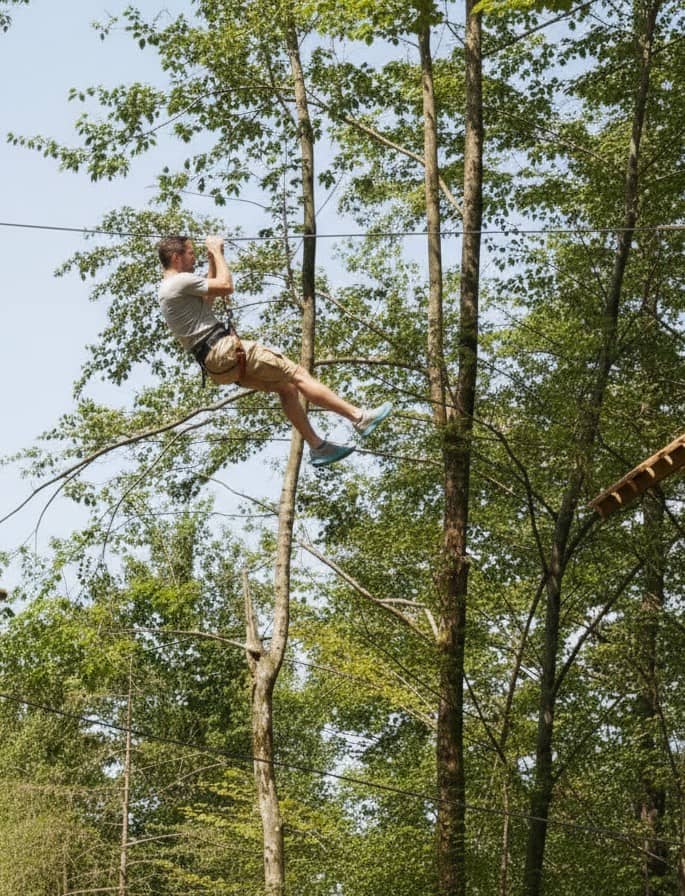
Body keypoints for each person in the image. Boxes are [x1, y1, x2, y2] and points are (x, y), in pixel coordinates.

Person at [157, 235, 392, 467]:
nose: (193, 259)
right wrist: (217, 251)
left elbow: (209, 297)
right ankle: (359, 417)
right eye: (190, 254)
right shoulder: (179, 281)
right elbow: (227, 287)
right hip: (224, 349)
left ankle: (318, 447)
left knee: (286, 388)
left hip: (217, 366)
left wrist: (212, 259)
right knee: (298, 375)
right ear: (176, 257)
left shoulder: (169, 289)